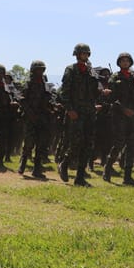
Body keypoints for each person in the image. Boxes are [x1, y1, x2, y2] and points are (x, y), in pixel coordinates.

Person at [58, 43, 105, 186]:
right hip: (76, 113)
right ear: (77, 54)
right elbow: (64, 92)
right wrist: (69, 109)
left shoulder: (91, 71)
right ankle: (64, 164)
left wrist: (102, 92)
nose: (84, 55)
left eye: (86, 53)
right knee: (76, 143)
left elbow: (95, 91)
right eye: (82, 53)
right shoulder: (71, 69)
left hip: (89, 112)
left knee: (88, 145)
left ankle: (80, 177)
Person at [104, 52, 134, 186]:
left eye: (127, 61)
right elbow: (111, 98)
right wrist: (123, 109)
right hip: (119, 116)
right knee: (118, 144)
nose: (125, 63)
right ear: (119, 63)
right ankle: (108, 169)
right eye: (123, 61)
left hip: (133, 117)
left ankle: (127, 177)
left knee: (132, 147)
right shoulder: (115, 77)